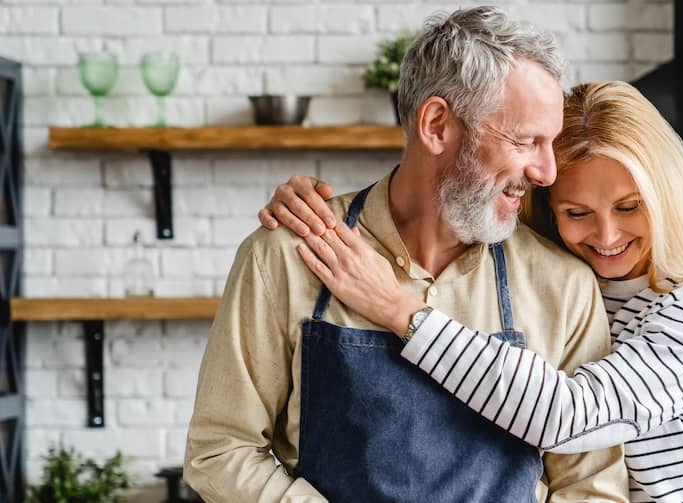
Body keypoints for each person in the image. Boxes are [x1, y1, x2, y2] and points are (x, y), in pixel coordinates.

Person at [184, 7, 630, 502]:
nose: (547, 172)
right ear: (437, 125)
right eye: (527, 141)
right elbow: (221, 450)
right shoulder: (286, 255)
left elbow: (590, 487)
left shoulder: (562, 284)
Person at [259, 81, 683, 502]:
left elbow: (567, 417)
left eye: (629, 207)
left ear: (668, 195)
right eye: (578, 213)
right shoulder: (565, 278)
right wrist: (319, 209)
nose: (606, 236)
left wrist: (398, 308)